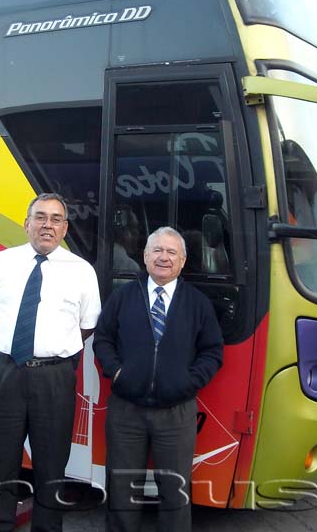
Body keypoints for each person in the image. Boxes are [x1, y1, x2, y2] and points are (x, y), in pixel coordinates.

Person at [0, 192, 101, 532]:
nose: (48, 225)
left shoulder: (82, 271)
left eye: (56, 219)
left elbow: (87, 325)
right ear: (26, 223)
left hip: (54, 379)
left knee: (51, 465)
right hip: (6, 373)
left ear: (65, 228)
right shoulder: (0, 263)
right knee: (0, 461)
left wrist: (50, 350)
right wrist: (16, 348)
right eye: (41, 217)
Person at [93, 226, 223, 532]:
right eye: (157, 251)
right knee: (122, 491)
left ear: (182, 261)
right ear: (145, 256)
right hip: (126, 411)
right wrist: (119, 372)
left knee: (175, 493)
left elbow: (212, 352)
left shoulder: (198, 303)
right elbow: (103, 340)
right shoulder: (123, 296)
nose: (163, 258)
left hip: (176, 414)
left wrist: (188, 383)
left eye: (171, 252)